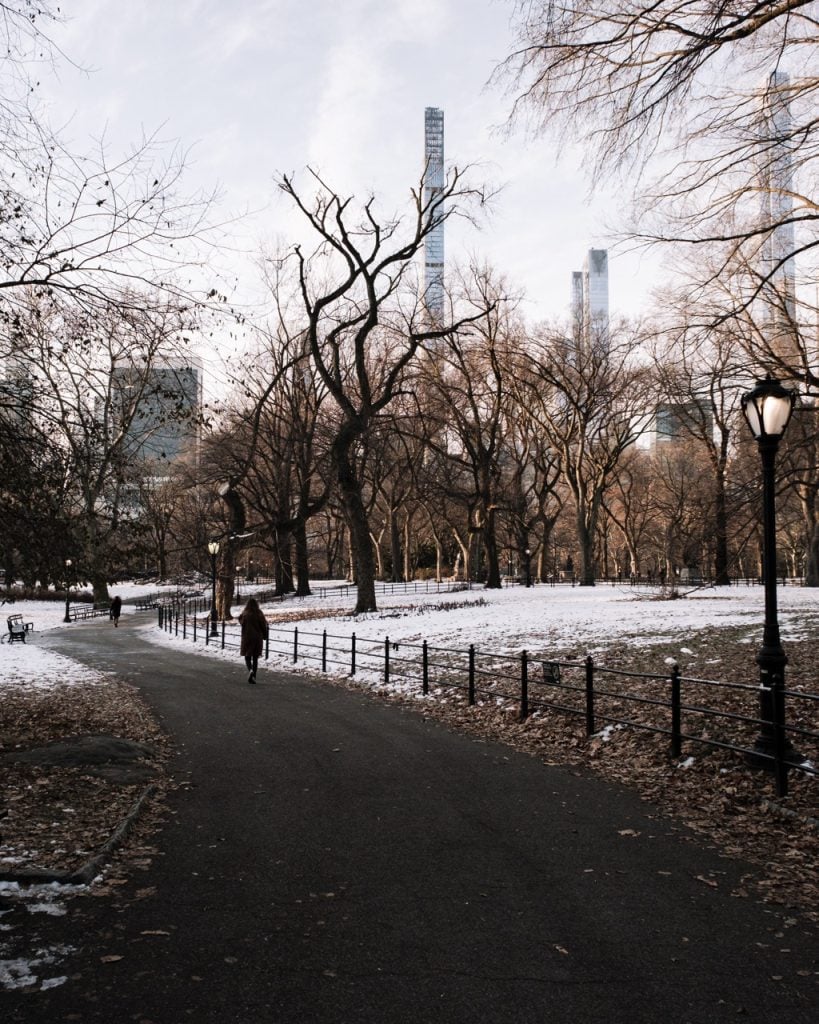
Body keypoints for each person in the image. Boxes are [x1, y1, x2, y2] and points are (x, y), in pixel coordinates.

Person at [239, 596, 268, 684]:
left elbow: (241, 621)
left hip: (247, 637)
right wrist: (265, 635)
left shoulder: (245, 614)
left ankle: (250, 670)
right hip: (257, 638)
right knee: (255, 657)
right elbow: (263, 625)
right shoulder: (259, 613)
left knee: (247, 656)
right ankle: (254, 676)